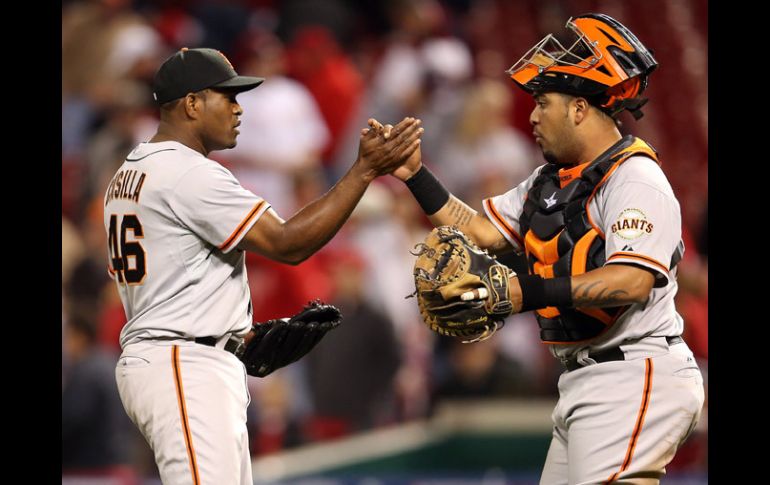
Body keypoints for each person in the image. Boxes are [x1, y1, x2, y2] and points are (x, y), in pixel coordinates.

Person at [385, 14, 704, 484]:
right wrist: (415, 175)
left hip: (635, 372)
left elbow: (631, 281)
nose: (532, 116)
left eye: (543, 102)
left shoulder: (636, 178)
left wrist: (522, 293)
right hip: (586, 377)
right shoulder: (549, 181)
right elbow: (482, 232)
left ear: (579, 109)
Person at [103, 47, 422, 484]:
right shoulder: (189, 173)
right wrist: (364, 170)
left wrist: (232, 328)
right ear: (193, 104)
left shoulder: (130, 172)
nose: (238, 109)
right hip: (184, 363)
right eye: (227, 97)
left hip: (174, 355)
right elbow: (288, 243)